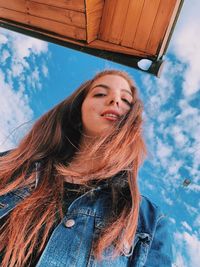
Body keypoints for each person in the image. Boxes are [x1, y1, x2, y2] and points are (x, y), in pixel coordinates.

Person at [0, 69, 172, 267]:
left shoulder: (149, 222)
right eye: (100, 93)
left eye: (126, 100)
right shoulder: (11, 167)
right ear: (77, 111)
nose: (115, 100)